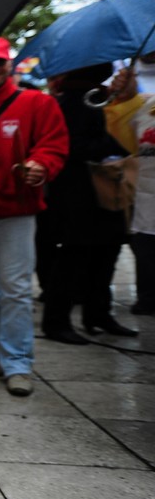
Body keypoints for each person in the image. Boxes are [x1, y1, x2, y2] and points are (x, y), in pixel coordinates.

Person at [0, 38, 68, 397]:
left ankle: (17, 362)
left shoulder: (37, 102)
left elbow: (53, 145)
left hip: (16, 212)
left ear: (8, 64)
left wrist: (41, 166)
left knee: (16, 289)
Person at [38, 63, 138, 341]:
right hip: (79, 193)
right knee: (75, 258)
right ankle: (58, 322)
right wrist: (112, 146)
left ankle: (98, 315)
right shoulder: (78, 100)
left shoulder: (96, 96)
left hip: (101, 190)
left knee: (105, 254)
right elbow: (73, 145)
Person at [104, 64, 154, 315]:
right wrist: (123, 97)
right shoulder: (146, 106)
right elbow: (117, 136)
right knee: (146, 255)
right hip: (146, 202)